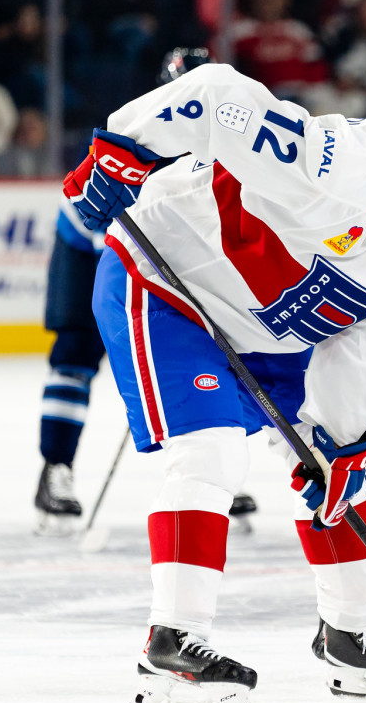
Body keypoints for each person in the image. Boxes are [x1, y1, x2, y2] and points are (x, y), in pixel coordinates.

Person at [63, 64, 366, 703]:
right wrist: (123, 151)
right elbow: (215, 94)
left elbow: (360, 347)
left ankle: (351, 637)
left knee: (338, 472)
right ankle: (171, 649)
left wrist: (337, 439)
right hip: (166, 285)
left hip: (270, 329)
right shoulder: (337, 165)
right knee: (213, 454)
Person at [33, 47, 257, 536]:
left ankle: (215, 466)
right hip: (89, 247)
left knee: (216, 352)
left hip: (161, 257)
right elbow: (94, 216)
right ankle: (55, 471)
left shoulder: (234, 146)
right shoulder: (140, 131)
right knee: (74, 352)